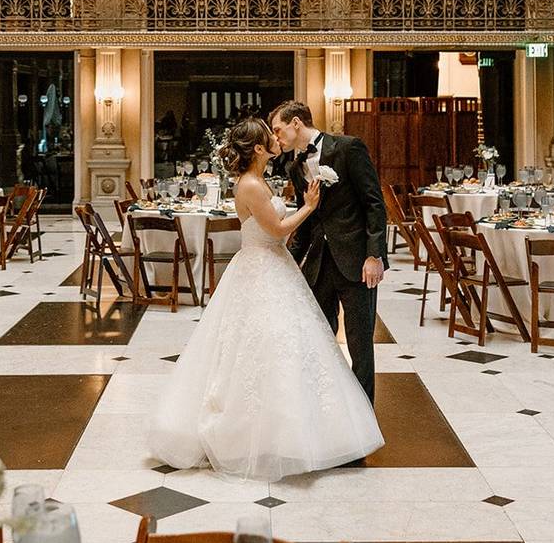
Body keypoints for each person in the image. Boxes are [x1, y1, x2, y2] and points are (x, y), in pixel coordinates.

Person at [147, 117, 384, 482]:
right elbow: (276, 230)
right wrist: (307, 206)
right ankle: (266, 433)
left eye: (277, 131)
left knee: (292, 346)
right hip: (261, 269)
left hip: (275, 265)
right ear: (258, 149)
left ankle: (312, 427)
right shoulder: (252, 185)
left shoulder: (265, 180)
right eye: (269, 136)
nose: (276, 139)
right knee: (265, 348)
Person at [269, 101, 389, 404]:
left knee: (361, 344)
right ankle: (326, 412)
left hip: (357, 262)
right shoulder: (294, 167)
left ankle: (364, 417)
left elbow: (374, 203)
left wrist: (375, 256)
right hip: (320, 266)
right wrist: (289, 262)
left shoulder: (348, 148)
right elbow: (307, 220)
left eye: (278, 130)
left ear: (296, 123)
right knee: (319, 340)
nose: (276, 138)